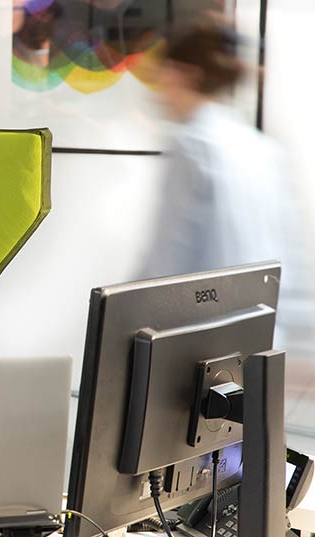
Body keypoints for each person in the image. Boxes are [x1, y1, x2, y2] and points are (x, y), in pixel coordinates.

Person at [140, 22, 315, 425]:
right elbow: (290, 254)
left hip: (200, 350)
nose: (158, 89)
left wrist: (123, 337)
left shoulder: (192, 147)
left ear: (187, 74)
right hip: (260, 341)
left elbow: (166, 264)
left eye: (162, 75)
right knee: (238, 465)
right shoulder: (259, 148)